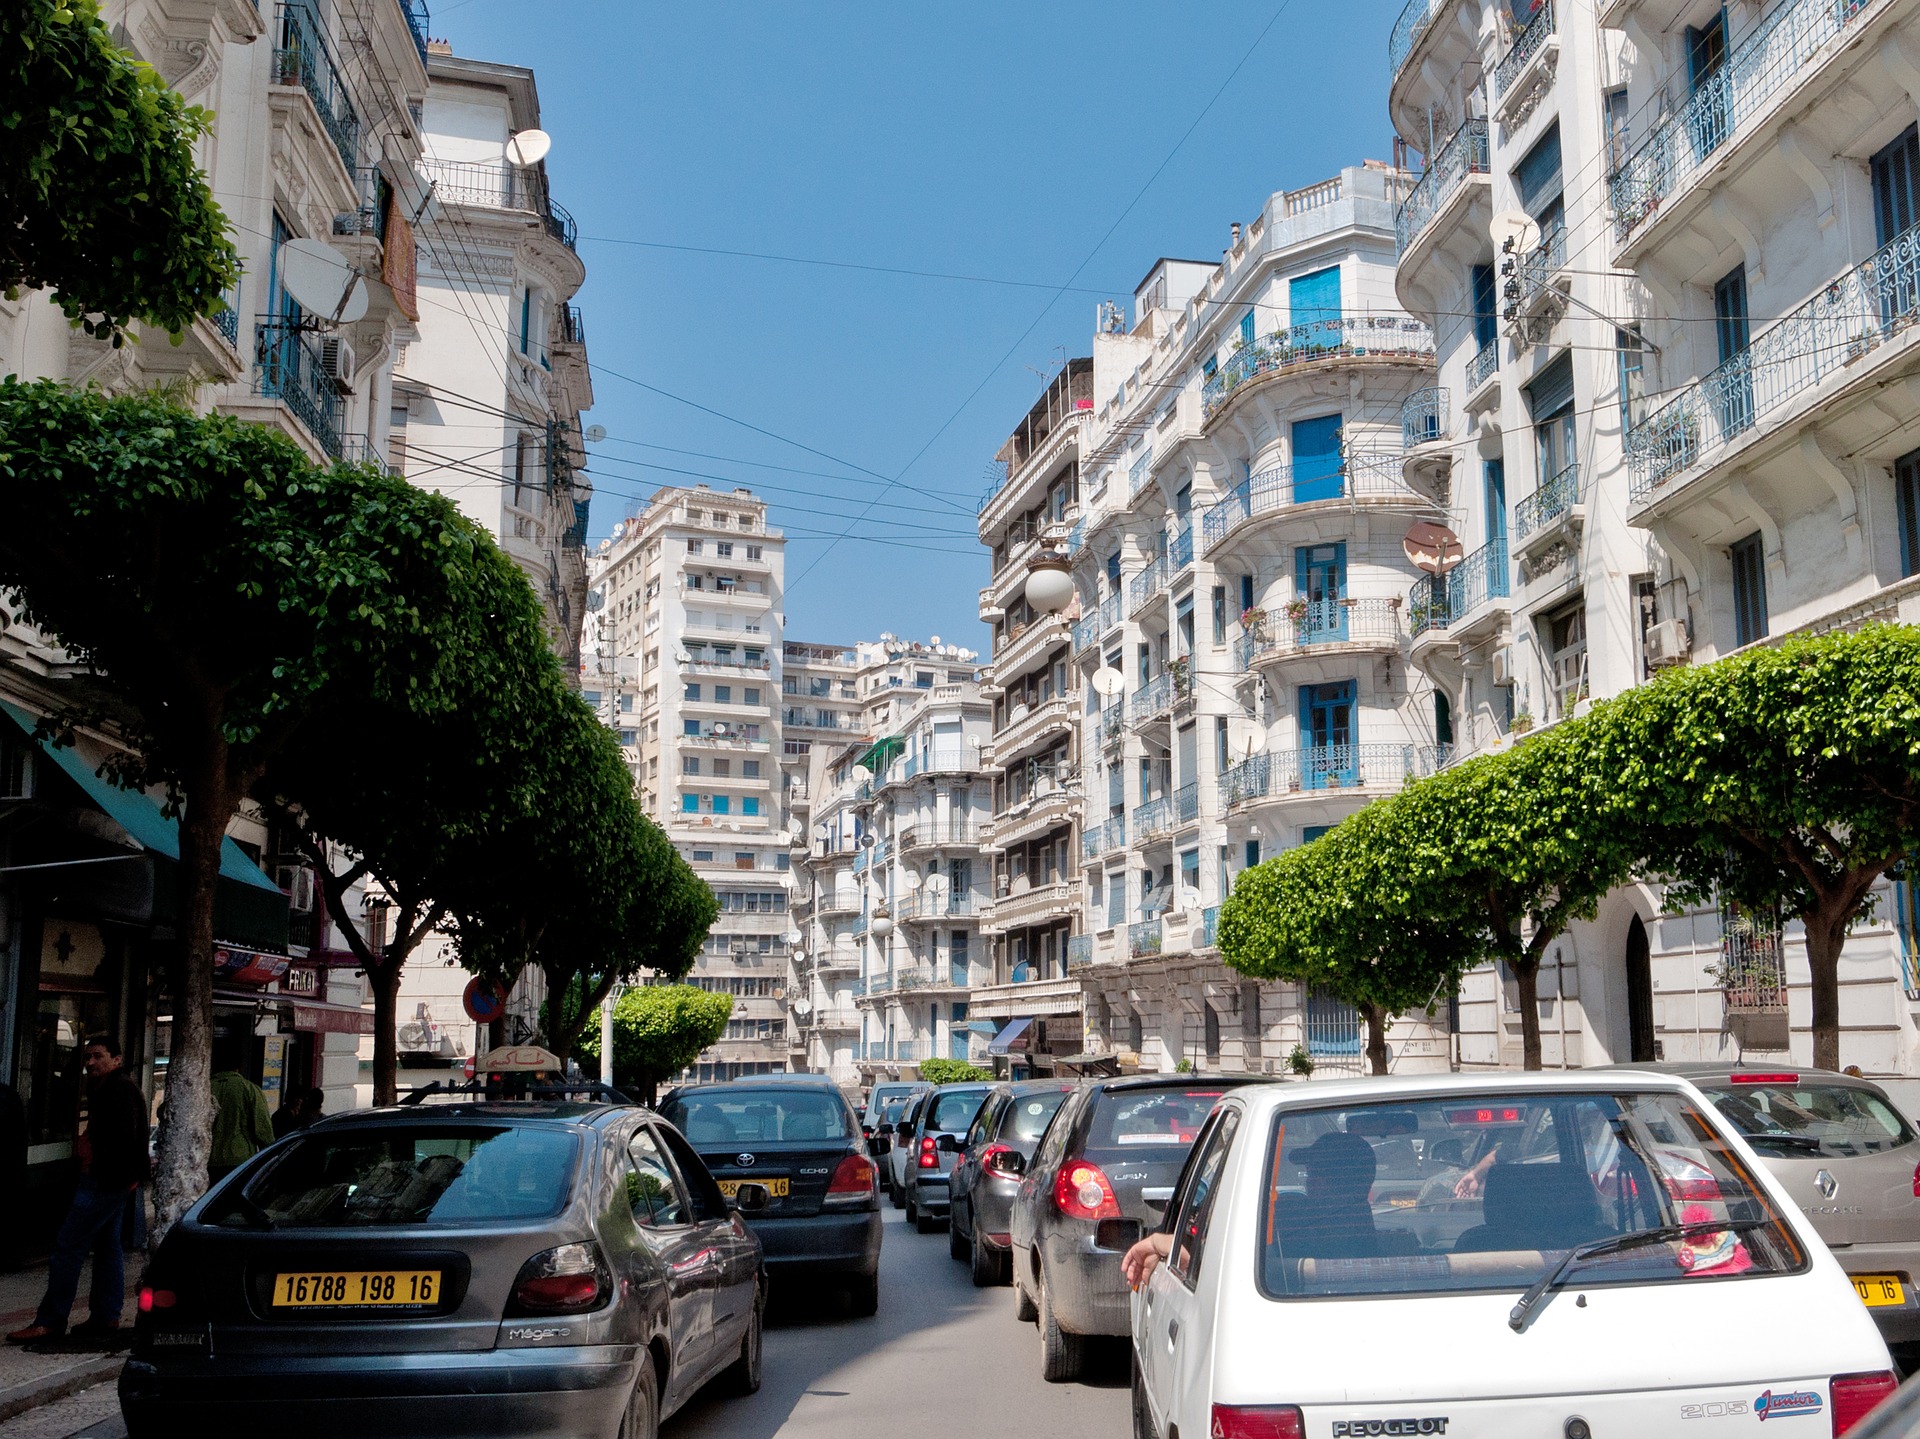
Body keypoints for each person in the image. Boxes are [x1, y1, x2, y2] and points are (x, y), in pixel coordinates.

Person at [7, 1035, 149, 1342]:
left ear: (116, 1059)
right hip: (112, 1181)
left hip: (104, 1181)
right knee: (108, 1246)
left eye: (98, 1056)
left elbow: (123, 1139)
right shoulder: (112, 1088)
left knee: (68, 1247)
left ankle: (51, 1321)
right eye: (87, 1057)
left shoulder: (118, 1090)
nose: (90, 1063)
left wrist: (98, 1168)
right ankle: (105, 1316)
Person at [209, 1040, 274, 1182]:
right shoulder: (250, 1090)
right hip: (240, 1161)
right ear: (238, 1066)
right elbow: (263, 1130)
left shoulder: (204, 1090)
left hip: (208, 1159)